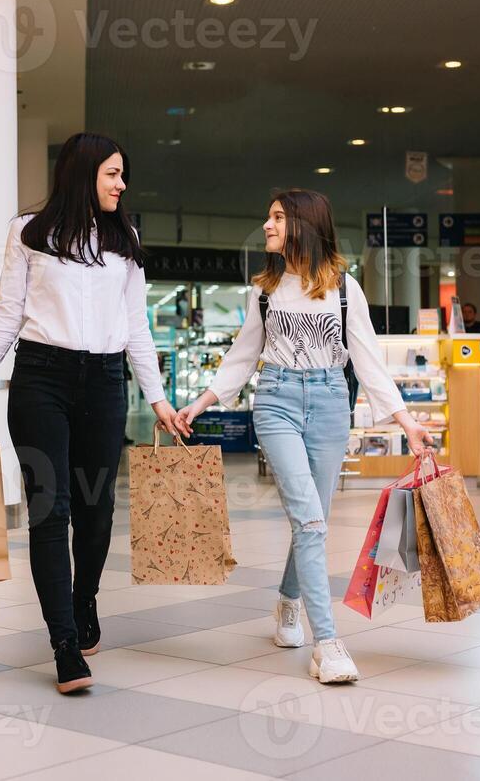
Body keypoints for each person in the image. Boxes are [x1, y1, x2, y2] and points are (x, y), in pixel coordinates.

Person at [0, 132, 177, 695]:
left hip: (103, 382)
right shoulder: (28, 232)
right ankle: (65, 644)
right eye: (113, 174)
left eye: (123, 175)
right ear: (84, 173)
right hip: (41, 379)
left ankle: (85, 598)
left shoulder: (126, 239)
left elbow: (137, 328)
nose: (122, 184)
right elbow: (7, 313)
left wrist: (159, 397)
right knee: (51, 511)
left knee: (96, 510)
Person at [173, 189, 431, 684]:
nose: (266, 226)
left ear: (303, 225)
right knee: (310, 521)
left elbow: (368, 359)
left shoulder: (342, 288)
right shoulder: (264, 290)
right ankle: (328, 645)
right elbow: (243, 356)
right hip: (276, 402)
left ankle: (289, 601)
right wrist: (201, 403)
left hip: (333, 403)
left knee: (314, 517)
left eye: (276, 218)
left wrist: (406, 421)